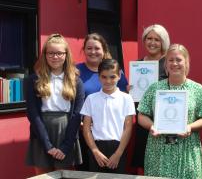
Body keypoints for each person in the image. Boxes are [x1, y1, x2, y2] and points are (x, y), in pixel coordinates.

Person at [137, 44, 202, 179]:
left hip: (187, 151)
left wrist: (190, 127)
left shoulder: (197, 89)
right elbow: (141, 115)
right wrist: (151, 126)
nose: (174, 63)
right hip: (158, 151)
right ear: (165, 64)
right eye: (170, 60)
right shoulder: (155, 88)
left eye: (178, 60)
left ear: (186, 62)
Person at [25, 34, 84, 175]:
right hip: (41, 132)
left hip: (67, 131)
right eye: (50, 53)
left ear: (66, 54)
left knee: (65, 175)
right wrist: (47, 145)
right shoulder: (33, 80)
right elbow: (33, 114)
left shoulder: (76, 81)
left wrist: (66, 146)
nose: (55, 57)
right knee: (43, 176)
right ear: (44, 55)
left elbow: (77, 114)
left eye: (59, 53)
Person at [76, 33, 128, 171]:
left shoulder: (117, 71)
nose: (93, 52)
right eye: (89, 48)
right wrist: (79, 122)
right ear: (84, 50)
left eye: (97, 48)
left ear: (104, 49)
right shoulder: (75, 71)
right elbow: (68, 97)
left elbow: (123, 98)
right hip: (85, 134)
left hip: (115, 137)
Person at [80, 59, 135, 173]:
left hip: (119, 147)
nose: (108, 81)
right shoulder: (91, 99)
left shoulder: (126, 98)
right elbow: (86, 128)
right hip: (96, 148)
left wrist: (118, 153)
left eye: (112, 77)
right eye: (104, 77)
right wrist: (95, 151)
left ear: (119, 75)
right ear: (98, 77)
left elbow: (128, 128)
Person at [132, 24, 170, 171]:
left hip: (165, 119)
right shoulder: (138, 64)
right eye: (149, 38)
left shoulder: (169, 63)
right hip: (143, 120)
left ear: (163, 42)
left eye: (157, 39)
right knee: (144, 163)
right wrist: (131, 91)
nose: (152, 42)